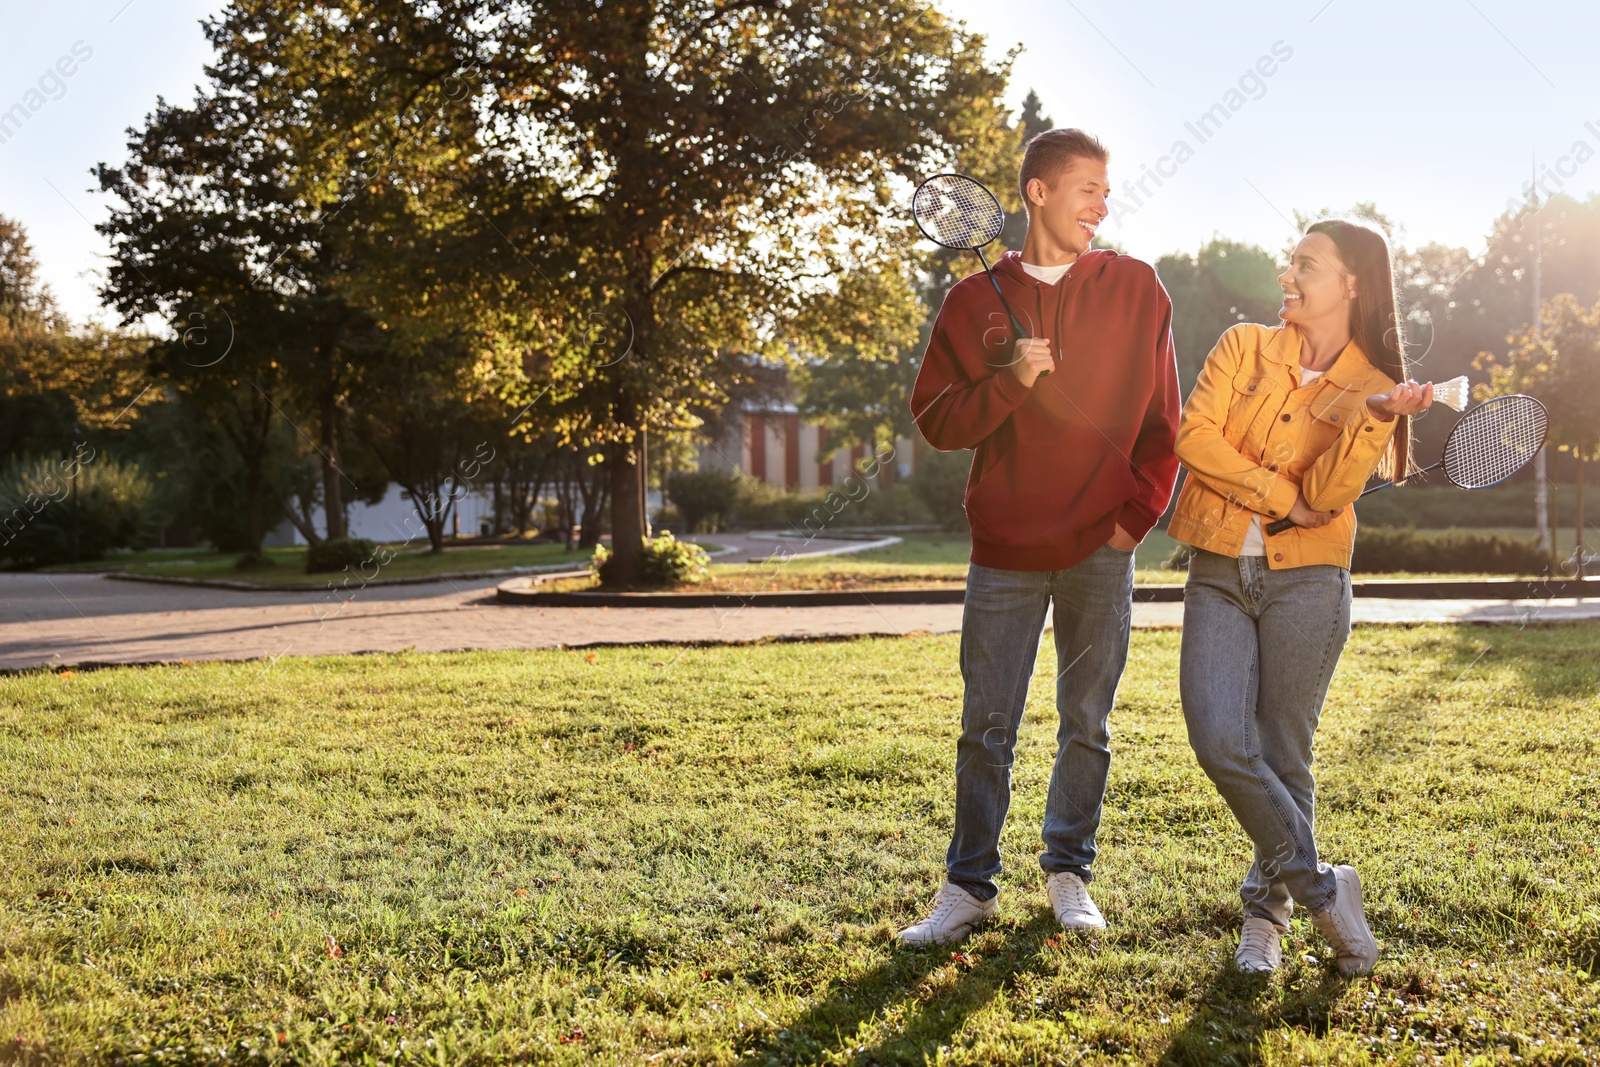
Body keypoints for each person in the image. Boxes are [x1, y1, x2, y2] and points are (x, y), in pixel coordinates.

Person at [898, 128, 1181, 945]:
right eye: (1088, 187)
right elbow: (938, 419)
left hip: (1103, 544)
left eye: (1106, 188)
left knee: (1086, 720)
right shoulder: (969, 301)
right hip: (1005, 548)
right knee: (986, 722)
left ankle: (1068, 871)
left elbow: (1165, 421)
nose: (1103, 203)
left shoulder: (1137, 287)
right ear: (1038, 193)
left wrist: (1136, 518)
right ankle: (967, 885)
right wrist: (1012, 381)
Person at [1167, 218, 1434, 975]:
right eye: (1290, 262)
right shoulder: (1243, 346)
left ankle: (1267, 914)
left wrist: (1378, 419)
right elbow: (1195, 438)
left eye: (1306, 265)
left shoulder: (1368, 386)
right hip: (1219, 567)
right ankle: (1323, 888)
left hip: (1310, 579)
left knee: (1285, 751)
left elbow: (1329, 496)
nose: (1289, 275)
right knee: (1219, 737)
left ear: (1351, 282)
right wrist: (1281, 491)